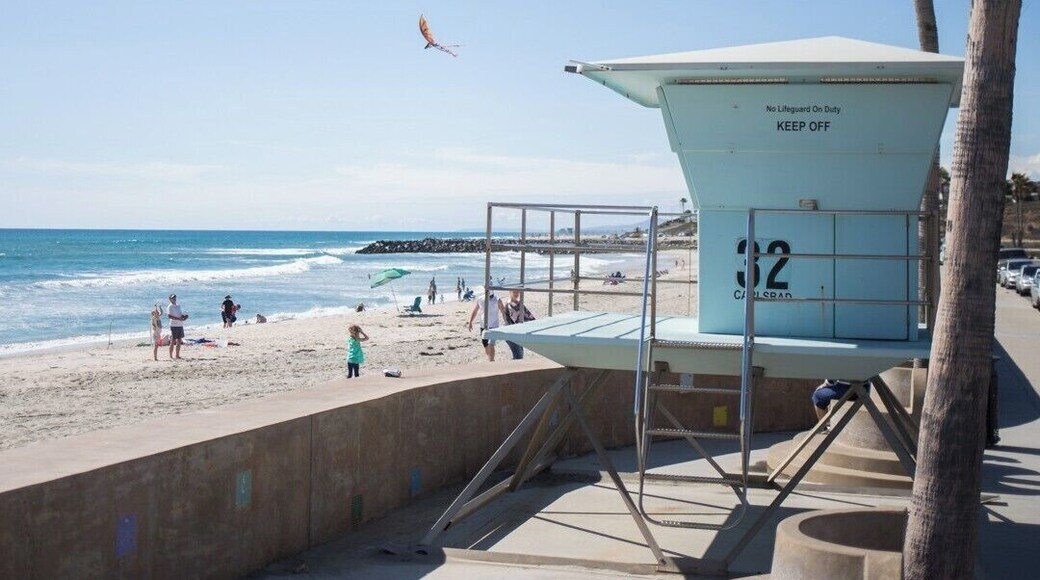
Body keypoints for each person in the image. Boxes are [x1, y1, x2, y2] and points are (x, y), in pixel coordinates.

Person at [467, 291, 505, 361]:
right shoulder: (480, 298)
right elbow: (475, 310)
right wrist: (470, 321)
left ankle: (491, 361)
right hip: (483, 325)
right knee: (485, 344)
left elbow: (503, 311)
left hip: (494, 326)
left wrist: (506, 322)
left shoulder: (497, 299)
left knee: (491, 344)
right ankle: (489, 359)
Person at [502, 289, 535, 360]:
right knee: (518, 356)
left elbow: (529, 315)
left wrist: (535, 323)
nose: (516, 294)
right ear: (510, 292)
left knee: (519, 355)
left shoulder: (519, 303)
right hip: (510, 333)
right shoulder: (509, 305)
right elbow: (516, 319)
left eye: (518, 292)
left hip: (516, 332)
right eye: (514, 292)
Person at [167, 294, 188, 360]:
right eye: (173, 298)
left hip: (180, 325)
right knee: (173, 340)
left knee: (179, 340)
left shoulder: (178, 306)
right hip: (173, 325)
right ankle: (171, 356)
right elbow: (169, 316)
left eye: (175, 298)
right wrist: (178, 319)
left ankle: (177, 355)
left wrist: (185, 317)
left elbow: (181, 314)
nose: (174, 299)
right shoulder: (170, 306)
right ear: (170, 299)